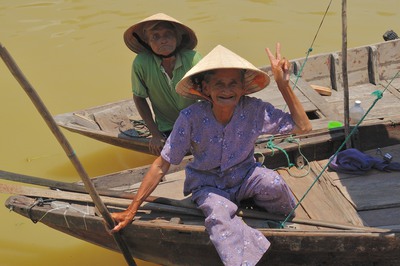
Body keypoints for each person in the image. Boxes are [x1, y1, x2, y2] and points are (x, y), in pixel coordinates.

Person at [111, 44, 312, 265]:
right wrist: (132, 210)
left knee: (273, 183)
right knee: (218, 213)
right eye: (219, 84)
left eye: (233, 83)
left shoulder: (254, 110)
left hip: (245, 176)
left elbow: (303, 127)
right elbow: (162, 164)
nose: (227, 90)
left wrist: (283, 85)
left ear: (243, 88)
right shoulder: (190, 117)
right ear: (206, 89)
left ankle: (282, 231)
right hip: (208, 185)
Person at [124, 13, 202, 155]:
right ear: (147, 41)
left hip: (197, 122)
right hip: (167, 126)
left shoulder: (193, 59)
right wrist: (155, 134)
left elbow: (210, 93)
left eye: (168, 35)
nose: (163, 40)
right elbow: (139, 97)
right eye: (156, 37)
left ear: (177, 39)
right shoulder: (141, 63)